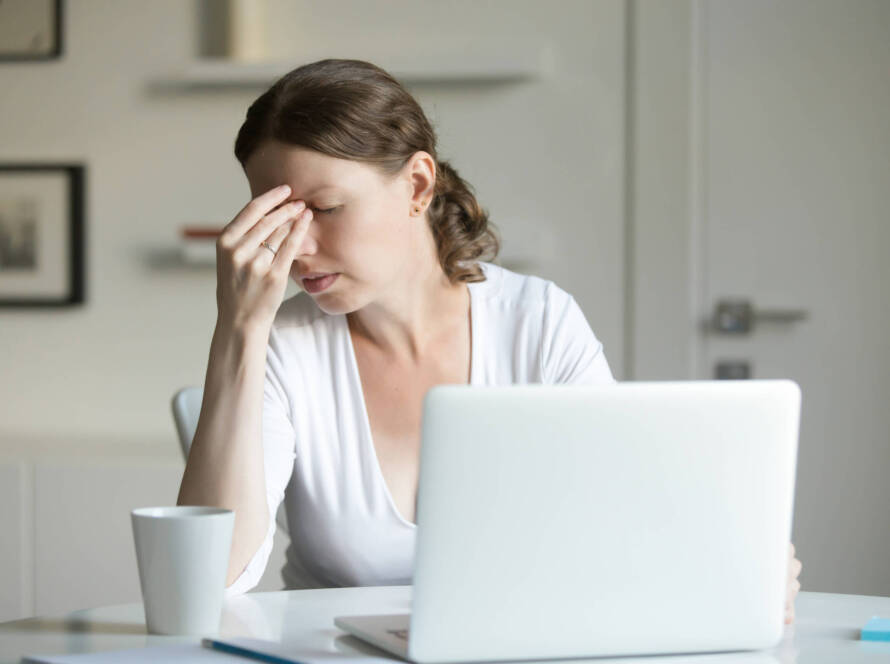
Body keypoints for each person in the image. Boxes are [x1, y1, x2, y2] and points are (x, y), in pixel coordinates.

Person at [176, 58, 802, 623]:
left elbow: (623, 519)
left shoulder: (539, 323)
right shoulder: (284, 347)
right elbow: (212, 581)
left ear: (417, 185)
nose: (299, 249)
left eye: (327, 208)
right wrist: (240, 327)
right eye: (279, 218)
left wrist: (735, 566)